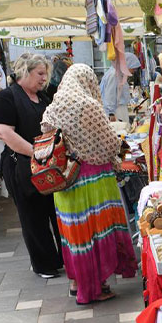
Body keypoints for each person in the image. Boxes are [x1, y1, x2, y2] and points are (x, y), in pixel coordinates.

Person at [41, 64, 138, 305]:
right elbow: (108, 144)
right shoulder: (89, 106)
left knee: (76, 236)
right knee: (96, 231)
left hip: (64, 182)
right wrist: (123, 149)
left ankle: (77, 283)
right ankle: (95, 288)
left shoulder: (53, 107)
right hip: (92, 180)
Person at [0, 53, 63, 279]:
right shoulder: (6, 97)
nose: (44, 79)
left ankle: (63, 258)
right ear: (25, 71)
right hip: (21, 165)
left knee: (54, 211)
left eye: (46, 74)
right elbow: (4, 132)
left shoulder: (43, 97)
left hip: (46, 164)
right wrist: (35, 153)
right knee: (33, 216)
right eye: (40, 74)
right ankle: (44, 264)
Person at [101, 52, 142, 122]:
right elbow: (110, 95)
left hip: (119, 108)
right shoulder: (114, 74)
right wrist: (111, 113)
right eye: (133, 68)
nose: (133, 71)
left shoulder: (121, 74)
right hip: (116, 110)